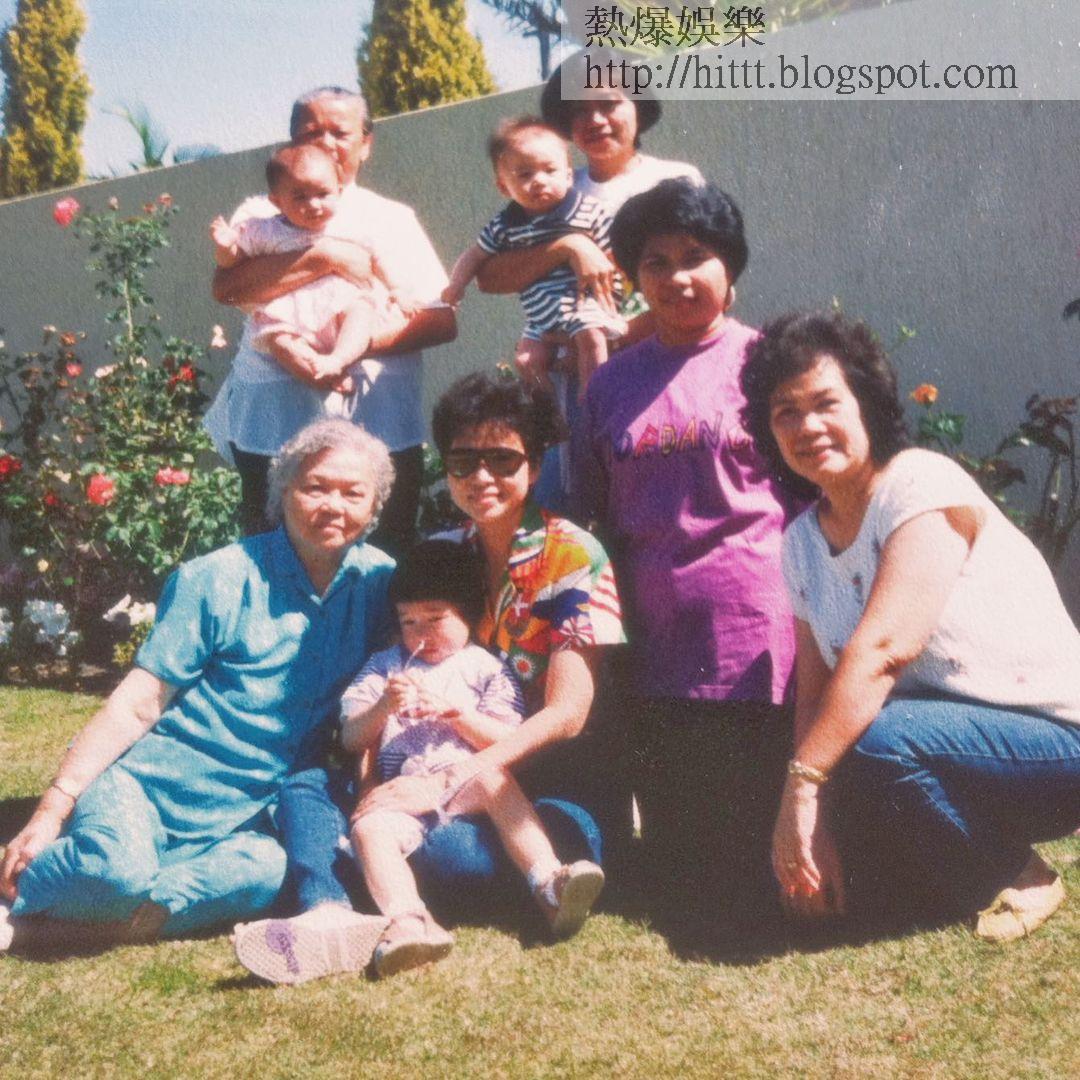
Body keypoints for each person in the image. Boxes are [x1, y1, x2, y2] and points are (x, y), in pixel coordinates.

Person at [234, 374, 624, 986]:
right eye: (464, 461)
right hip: (428, 778)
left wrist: (448, 779)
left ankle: (378, 883)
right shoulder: (443, 550)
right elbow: (388, 673)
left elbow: (567, 715)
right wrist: (375, 786)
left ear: (535, 463)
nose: (481, 477)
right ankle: (329, 908)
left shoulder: (571, 555)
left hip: (539, 788)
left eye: (503, 459)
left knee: (457, 858)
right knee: (309, 785)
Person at [740, 310, 1080, 939]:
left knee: (875, 739)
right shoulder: (801, 544)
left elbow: (885, 651)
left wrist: (803, 789)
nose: (807, 426)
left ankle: (1019, 874)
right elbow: (814, 692)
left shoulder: (918, 483)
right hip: (953, 745)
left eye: (825, 403)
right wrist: (816, 825)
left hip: (1059, 739)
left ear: (866, 404)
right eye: (785, 411)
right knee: (844, 749)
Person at [0, 420, 396, 954]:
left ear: (374, 508)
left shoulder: (380, 582)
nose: (334, 507)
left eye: (353, 494)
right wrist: (51, 810)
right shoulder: (219, 577)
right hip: (151, 789)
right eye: (316, 487)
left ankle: (67, 924)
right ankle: (32, 889)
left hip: (245, 819)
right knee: (117, 872)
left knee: (265, 875)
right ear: (283, 493)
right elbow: (138, 704)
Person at [573, 179, 801, 936]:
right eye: (656, 262)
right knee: (681, 849)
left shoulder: (771, 364)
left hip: (754, 618)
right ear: (633, 277)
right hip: (655, 629)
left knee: (756, 818)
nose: (677, 278)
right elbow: (591, 505)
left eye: (696, 256)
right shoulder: (610, 384)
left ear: (730, 265)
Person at [208, 86, 455, 549]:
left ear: (366, 144)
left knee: (382, 558)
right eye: (310, 132)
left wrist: (344, 347)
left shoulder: (390, 218)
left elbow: (440, 320)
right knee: (274, 555)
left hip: (376, 421)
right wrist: (326, 256)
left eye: (339, 132)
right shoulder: (263, 212)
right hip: (275, 422)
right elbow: (228, 289)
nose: (325, 142)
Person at [349, 541, 604, 978]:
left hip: (465, 791)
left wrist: (457, 715)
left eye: (436, 619)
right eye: (409, 622)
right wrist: (382, 708)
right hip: (401, 795)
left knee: (493, 778)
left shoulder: (485, 668)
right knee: (368, 828)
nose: (421, 635)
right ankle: (408, 921)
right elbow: (351, 736)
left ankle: (549, 884)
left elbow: (506, 737)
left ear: (468, 615)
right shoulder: (384, 667)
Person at [474, 55, 703, 509]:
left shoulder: (673, 180)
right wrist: (569, 247)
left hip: (658, 363)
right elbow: (489, 275)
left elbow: (700, 283)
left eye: (609, 103)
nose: (594, 119)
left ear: (638, 105)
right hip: (575, 377)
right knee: (578, 498)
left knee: (658, 497)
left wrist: (618, 339)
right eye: (579, 109)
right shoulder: (552, 186)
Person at [211, 143, 416, 414]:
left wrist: (397, 288)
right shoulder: (264, 229)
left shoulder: (349, 224)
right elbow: (232, 263)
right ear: (277, 201)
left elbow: (376, 258)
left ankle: (337, 360)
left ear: (339, 190)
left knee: (361, 312)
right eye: (300, 197)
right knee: (278, 339)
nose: (314, 205)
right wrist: (226, 248)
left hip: (341, 302)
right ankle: (319, 373)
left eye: (323, 194)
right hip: (291, 311)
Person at [442, 117, 625, 400]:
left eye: (550, 170)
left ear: (568, 176)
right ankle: (548, 410)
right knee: (527, 361)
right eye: (524, 175)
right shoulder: (505, 224)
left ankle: (593, 395)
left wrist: (613, 302)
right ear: (504, 187)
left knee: (591, 340)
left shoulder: (587, 211)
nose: (539, 181)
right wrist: (456, 285)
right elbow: (475, 254)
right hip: (540, 315)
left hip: (583, 302)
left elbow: (614, 259)